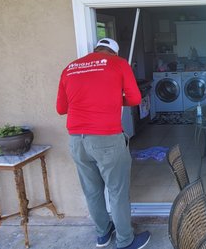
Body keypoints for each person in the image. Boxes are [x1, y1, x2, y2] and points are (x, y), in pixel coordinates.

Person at [56, 38, 150, 249]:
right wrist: (115, 98)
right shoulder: (118, 64)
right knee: (117, 190)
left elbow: (61, 108)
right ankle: (125, 240)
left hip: (77, 140)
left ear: (96, 50)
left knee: (92, 190)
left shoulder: (70, 68)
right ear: (114, 53)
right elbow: (135, 99)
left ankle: (103, 234)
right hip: (106, 139)